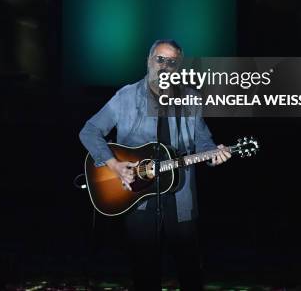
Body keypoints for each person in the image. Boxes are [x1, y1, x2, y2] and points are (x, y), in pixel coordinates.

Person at [79, 39, 231, 291]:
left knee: (190, 270)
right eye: (160, 59)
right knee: (144, 272)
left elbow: (204, 143)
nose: (165, 66)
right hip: (137, 195)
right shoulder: (126, 96)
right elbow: (89, 131)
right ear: (149, 60)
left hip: (181, 196)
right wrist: (114, 165)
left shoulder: (190, 99)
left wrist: (216, 153)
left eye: (172, 62)